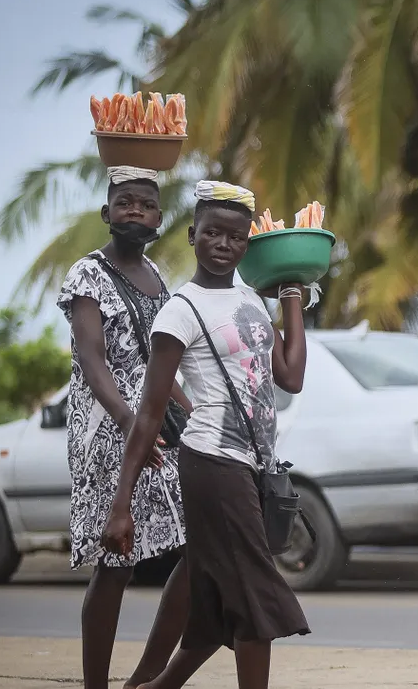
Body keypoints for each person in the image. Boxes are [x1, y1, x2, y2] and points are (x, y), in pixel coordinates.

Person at [102, 181, 310, 689]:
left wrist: (291, 297)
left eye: (235, 238)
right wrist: (121, 503)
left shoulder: (250, 302)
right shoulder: (180, 310)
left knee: (217, 602)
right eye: (212, 233)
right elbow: (150, 411)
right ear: (193, 235)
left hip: (251, 464)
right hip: (211, 462)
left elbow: (291, 377)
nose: (224, 244)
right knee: (257, 595)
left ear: (246, 244)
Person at [56, 165, 192, 689]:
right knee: (116, 560)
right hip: (108, 427)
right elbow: (92, 360)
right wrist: (132, 421)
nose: (134, 209)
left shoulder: (159, 277)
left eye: (145, 203)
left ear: (160, 217)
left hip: (157, 420)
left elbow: (163, 364)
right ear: (106, 213)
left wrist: (197, 417)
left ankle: (143, 682)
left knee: (199, 547)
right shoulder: (87, 274)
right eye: (124, 201)